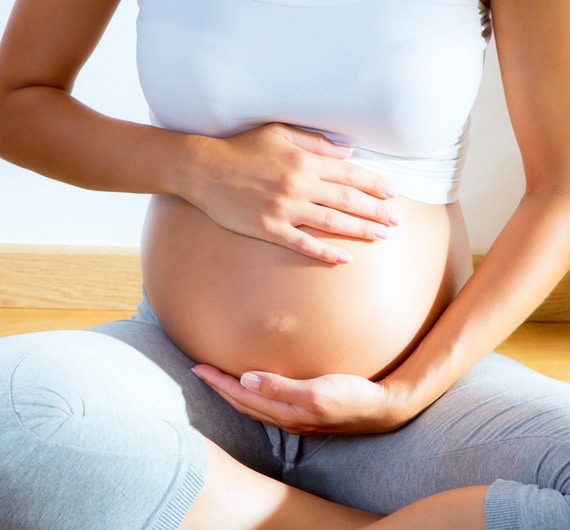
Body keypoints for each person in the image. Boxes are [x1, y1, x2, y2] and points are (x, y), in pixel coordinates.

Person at [0, 0, 569, 528]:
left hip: (423, 408)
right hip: (189, 383)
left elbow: (561, 191)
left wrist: (405, 394)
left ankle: (201, 505)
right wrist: (197, 167)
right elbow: (15, 101)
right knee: (15, 417)